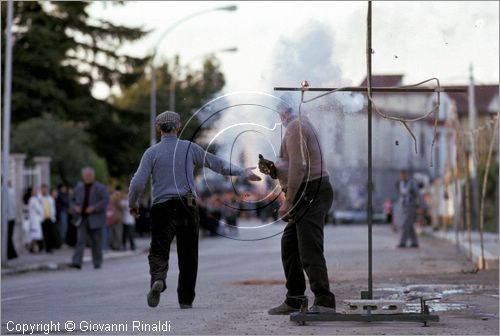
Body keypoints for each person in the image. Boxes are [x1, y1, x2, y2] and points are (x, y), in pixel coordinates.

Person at [128, 110, 260, 309]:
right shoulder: (190, 148)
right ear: (178, 127)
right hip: (187, 206)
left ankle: (159, 279)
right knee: (188, 254)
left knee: (159, 249)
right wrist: (242, 171)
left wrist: (133, 203)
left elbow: (138, 182)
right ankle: (185, 300)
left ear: (159, 128)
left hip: (161, 207)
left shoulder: (151, 153)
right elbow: (216, 164)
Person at [259, 95, 336, 315]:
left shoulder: (295, 126)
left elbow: (300, 167)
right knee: (290, 245)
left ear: (283, 111)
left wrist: (288, 201)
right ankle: (295, 299)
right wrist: (274, 169)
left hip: (311, 189)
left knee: (309, 248)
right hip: (311, 188)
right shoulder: (300, 125)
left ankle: (324, 301)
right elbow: (293, 163)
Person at [69, 167, 110, 269]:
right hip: (82, 218)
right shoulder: (78, 187)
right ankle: (76, 262)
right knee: (80, 241)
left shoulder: (100, 187)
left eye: (89, 175)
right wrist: (75, 207)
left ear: (93, 176)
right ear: (83, 176)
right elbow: (71, 201)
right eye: (86, 175)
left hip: (96, 219)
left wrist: (94, 208)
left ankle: (97, 262)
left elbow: (105, 201)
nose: (87, 177)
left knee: (96, 242)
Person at [397, 169, 420, 248]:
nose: (402, 177)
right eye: (401, 175)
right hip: (404, 206)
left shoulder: (412, 183)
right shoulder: (402, 183)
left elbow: (417, 194)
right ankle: (415, 242)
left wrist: (419, 206)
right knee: (410, 225)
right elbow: (402, 195)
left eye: (403, 175)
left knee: (405, 225)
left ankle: (402, 242)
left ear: (406, 175)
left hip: (411, 206)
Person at [40, 184, 61, 253]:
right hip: (42, 218)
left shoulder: (50, 198)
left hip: (50, 218)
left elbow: (53, 208)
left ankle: (50, 247)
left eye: (45, 189)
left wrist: (53, 217)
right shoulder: (39, 198)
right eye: (43, 189)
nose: (44, 190)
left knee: (50, 233)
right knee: (44, 234)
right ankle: (45, 247)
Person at [27, 187, 44, 253]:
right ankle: (33, 248)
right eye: (34, 191)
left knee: (35, 235)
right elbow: (39, 209)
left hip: (35, 220)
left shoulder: (34, 199)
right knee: (35, 235)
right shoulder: (33, 199)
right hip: (34, 220)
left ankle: (33, 248)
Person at [6, 181, 18, 259]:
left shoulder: (6, 192)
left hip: (7, 218)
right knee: (9, 236)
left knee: (8, 236)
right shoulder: (12, 192)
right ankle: (12, 254)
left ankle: (11, 254)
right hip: (12, 217)